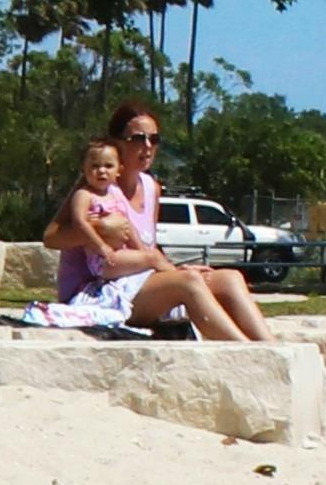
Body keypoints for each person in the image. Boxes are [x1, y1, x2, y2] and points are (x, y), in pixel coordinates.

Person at [60, 110, 267, 344]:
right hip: (99, 289)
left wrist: (174, 268)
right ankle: (245, 349)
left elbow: (148, 248)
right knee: (187, 282)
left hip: (139, 278)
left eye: (154, 139)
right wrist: (101, 228)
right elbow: (52, 237)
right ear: (117, 143)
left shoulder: (151, 187)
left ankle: (272, 347)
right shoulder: (95, 189)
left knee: (230, 278)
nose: (148, 146)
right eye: (138, 139)